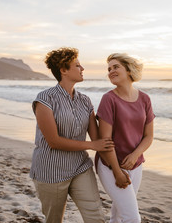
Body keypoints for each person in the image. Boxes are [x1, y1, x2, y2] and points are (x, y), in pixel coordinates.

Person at [30, 47, 114, 223]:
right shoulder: (45, 99)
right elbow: (54, 141)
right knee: (54, 219)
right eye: (77, 65)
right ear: (63, 70)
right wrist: (92, 146)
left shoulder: (85, 100)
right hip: (50, 171)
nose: (82, 68)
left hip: (80, 167)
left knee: (96, 215)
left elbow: (97, 138)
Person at [95, 53, 155, 222]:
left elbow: (149, 136)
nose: (111, 71)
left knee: (119, 214)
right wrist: (117, 171)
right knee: (132, 217)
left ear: (129, 70)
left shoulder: (145, 99)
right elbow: (105, 141)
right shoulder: (109, 99)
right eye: (109, 69)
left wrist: (135, 155)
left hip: (136, 165)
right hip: (110, 165)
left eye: (116, 67)